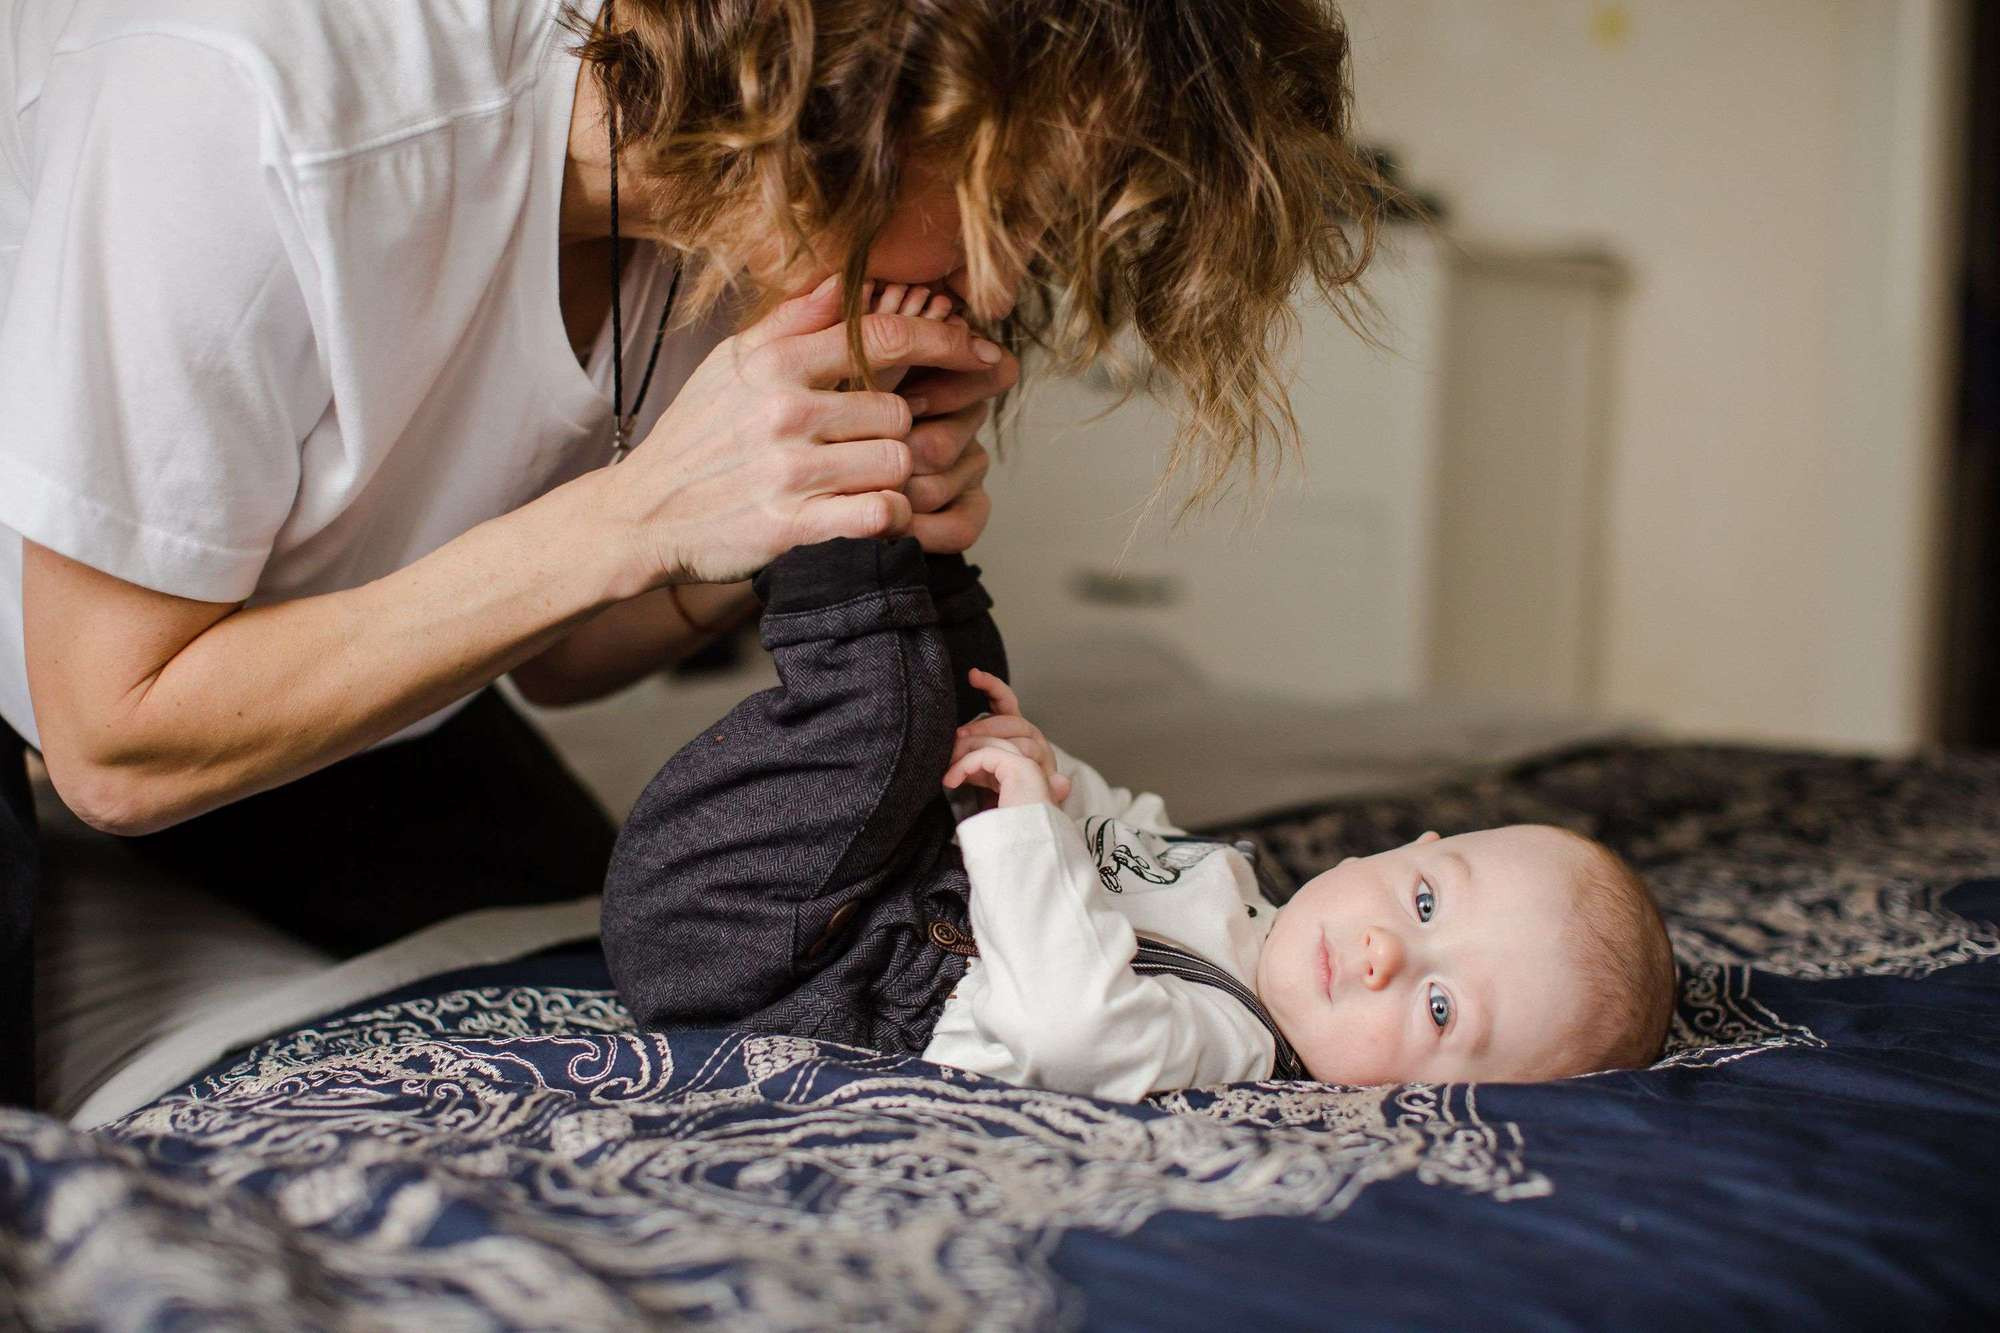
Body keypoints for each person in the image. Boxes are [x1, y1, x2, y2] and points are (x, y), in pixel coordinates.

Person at [0, 0, 1383, 1108]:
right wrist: (648, 509)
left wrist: (767, 515)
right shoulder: (239, 100)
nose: (1008, 283)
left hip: (303, 645)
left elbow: (561, 663)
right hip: (110, 683)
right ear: (867, 74)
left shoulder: (729, 207)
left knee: (593, 984)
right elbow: (112, 745)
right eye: (1011, 205)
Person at [602, 536, 1678, 1099]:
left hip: (744, 956)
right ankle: (906, 480)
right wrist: (1040, 766)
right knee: (969, 685)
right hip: (842, 895)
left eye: (1440, 1011)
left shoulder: (1227, 1042)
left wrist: (1023, 825)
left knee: (887, 710)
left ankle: (832, 521)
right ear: (1401, 850)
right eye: (1425, 902)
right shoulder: (1232, 894)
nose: (1380, 952)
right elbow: (1108, 821)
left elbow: (1071, 1026)